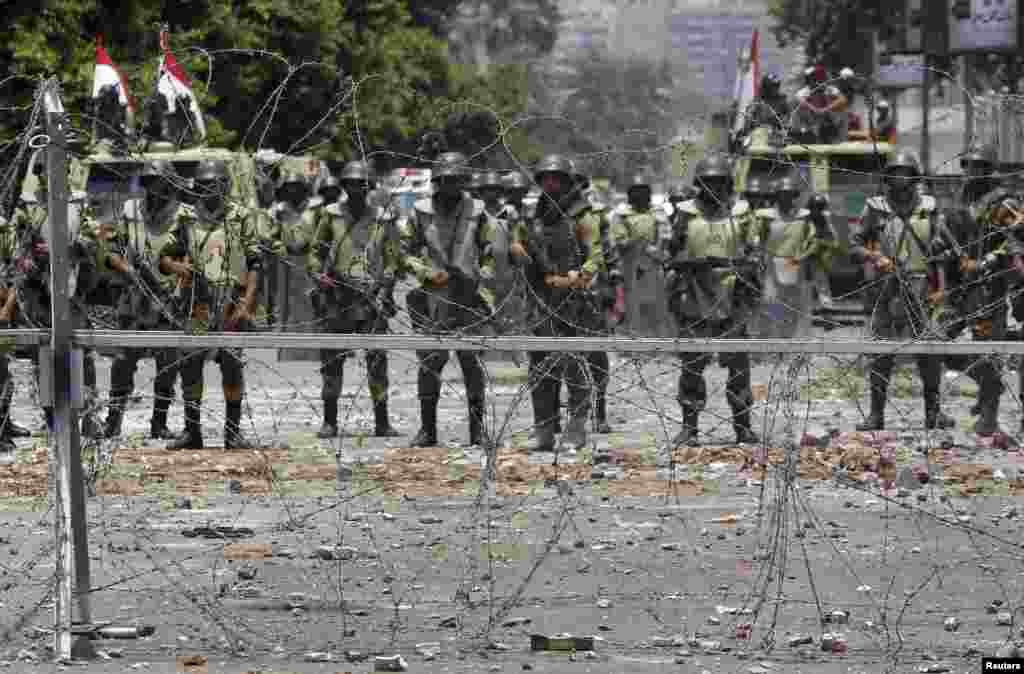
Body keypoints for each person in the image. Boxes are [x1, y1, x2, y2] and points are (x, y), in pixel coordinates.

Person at [849, 150, 957, 431]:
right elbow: (854, 245)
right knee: (882, 352)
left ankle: (933, 413)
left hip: (923, 286)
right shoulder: (876, 207)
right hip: (886, 287)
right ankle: (876, 415)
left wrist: (941, 270)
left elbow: (945, 249)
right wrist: (876, 258)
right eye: (895, 172)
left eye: (905, 173)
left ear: (914, 176)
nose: (900, 178)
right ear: (888, 177)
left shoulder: (930, 207)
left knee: (929, 352)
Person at [160, 159, 263, 450]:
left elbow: (255, 261)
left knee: (231, 364)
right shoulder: (187, 219)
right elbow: (166, 258)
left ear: (226, 186)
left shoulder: (240, 217)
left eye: (215, 184)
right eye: (204, 185)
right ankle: (192, 432)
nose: (209, 190)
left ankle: (233, 432)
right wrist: (177, 268)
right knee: (190, 365)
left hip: (231, 300)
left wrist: (247, 301)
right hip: (197, 301)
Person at [663, 154, 761, 446]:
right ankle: (690, 427)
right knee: (692, 365)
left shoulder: (741, 213)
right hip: (694, 293)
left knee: (739, 366)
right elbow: (669, 254)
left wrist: (742, 268)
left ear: (728, 184)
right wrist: (691, 264)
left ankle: (742, 426)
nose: (715, 188)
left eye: (720, 182)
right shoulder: (685, 213)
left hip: (733, 295)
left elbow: (756, 254)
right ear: (699, 184)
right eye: (709, 182)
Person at [399, 152, 495, 448]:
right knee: (430, 363)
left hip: (468, 296)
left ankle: (477, 431)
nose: (451, 186)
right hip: (434, 295)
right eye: (446, 180)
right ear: (438, 182)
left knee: (472, 364)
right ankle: (428, 430)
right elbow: (403, 251)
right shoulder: (420, 211)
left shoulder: (477, 211)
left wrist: (482, 275)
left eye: (457, 180)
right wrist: (425, 272)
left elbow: (490, 249)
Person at [510, 155, 603, 452]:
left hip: (573, 301)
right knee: (541, 369)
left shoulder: (582, 216)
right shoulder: (534, 215)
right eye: (545, 179)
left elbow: (596, 255)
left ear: (566, 181)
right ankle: (544, 430)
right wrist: (518, 250)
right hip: (540, 299)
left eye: (556, 178)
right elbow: (520, 243)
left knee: (575, 368)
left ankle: (576, 428)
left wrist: (577, 278)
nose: (550, 184)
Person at [307, 160, 400, 439]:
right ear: (343, 186)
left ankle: (382, 421)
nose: (356, 189)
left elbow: (394, 259)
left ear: (369, 186)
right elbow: (315, 254)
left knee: (376, 361)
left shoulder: (383, 218)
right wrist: (319, 277)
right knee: (332, 361)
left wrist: (385, 286)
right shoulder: (331, 215)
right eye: (350, 184)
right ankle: (330, 421)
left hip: (371, 298)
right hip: (338, 297)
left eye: (361, 184)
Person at [101, 159, 184, 439]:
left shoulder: (183, 216)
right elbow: (111, 250)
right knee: (123, 361)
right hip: (134, 297)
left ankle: (159, 423)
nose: (151, 188)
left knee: (168, 363)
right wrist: (127, 268)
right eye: (147, 182)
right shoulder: (130, 210)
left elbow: (193, 257)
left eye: (156, 182)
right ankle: (113, 420)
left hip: (169, 298)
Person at [944, 145, 1010, 435]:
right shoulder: (962, 202)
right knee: (943, 344)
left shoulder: (1002, 203)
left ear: (987, 171)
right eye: (968, 166)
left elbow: (1018, 240)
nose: (971, 172)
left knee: (985, 353)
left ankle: (989, 415)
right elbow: (947, 239)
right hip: (961, 289)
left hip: (989, 287)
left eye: (978, 167)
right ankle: (988, 393)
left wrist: (985, 263)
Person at [752, 175, 837, 340]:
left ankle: (793, 345)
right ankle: (774, 341)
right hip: (771, 264)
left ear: (794, 196)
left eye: (789, 194)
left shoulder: (803, 217)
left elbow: (813, 241)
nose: (786, 198)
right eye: (782, 194)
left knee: (795, 304)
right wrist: (760, 257)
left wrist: (802, 256)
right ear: (776, 195)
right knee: (771, 301)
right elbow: (756, 241)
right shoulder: (765, 217)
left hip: (795, 263)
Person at [792, 65, 848, 143]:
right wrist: (814, 109)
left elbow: (843, 99)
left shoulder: (829, 89)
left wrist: (825, 109)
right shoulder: (805, 91)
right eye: (810, 78)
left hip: (828, 122)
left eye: (814, 78)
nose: (812, 81)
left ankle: (839, 140)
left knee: (842, 113)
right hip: (812, 123)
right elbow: (798, 99)